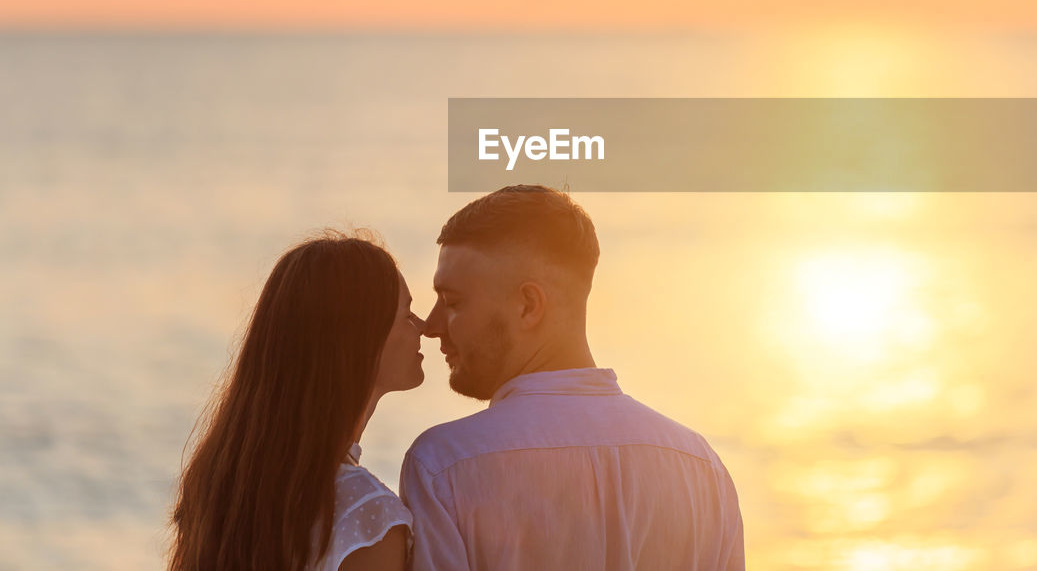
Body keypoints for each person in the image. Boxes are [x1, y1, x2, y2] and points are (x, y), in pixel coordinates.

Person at [400, 185, 745, 570]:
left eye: (452, 303)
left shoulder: (445, 465)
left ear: (528, 306)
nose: (431, 326)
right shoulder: (700, 468)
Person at [169, 232, 426, 571]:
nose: (423, 327)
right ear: (360, 341)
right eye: (406, 314)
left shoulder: (228, 481)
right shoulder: (368, 515)